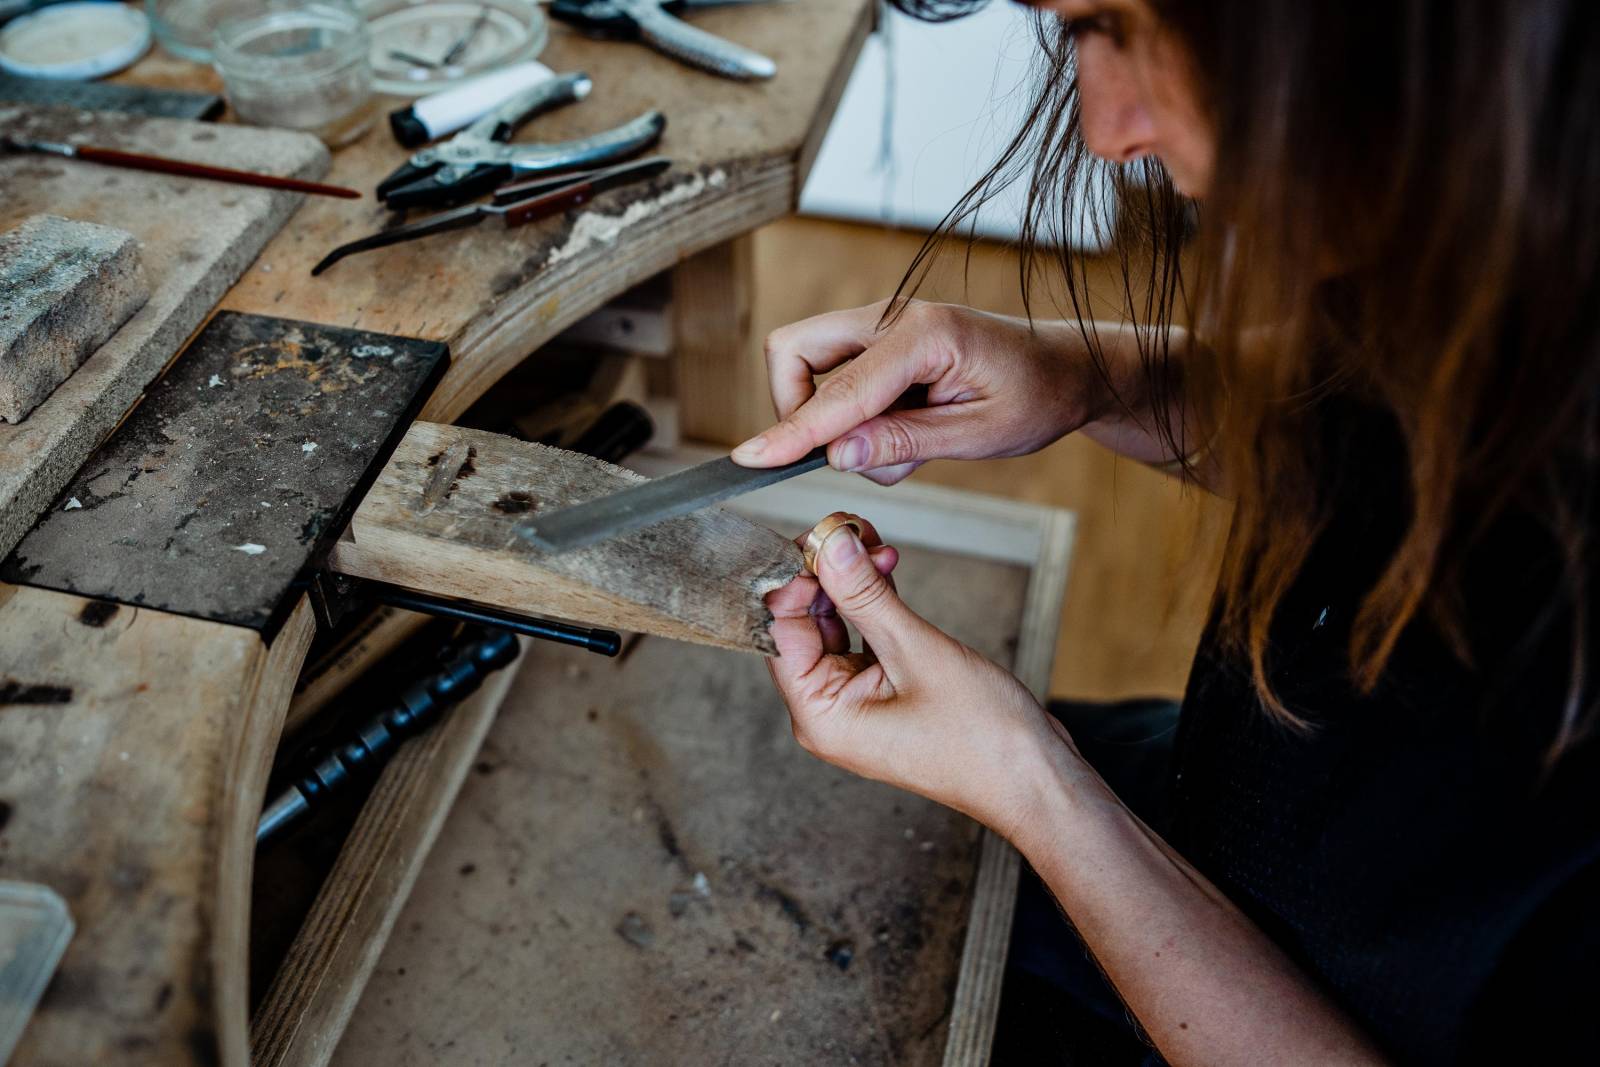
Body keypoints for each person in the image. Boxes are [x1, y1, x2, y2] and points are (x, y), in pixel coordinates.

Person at [733, 1, 1600, 1063]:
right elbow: (1385, 436)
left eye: (1132, 25)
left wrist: (1035, 787)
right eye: (1073, 30)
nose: (1105, 126)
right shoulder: (1529, 197)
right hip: (1226, 806)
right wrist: (1092, 375)